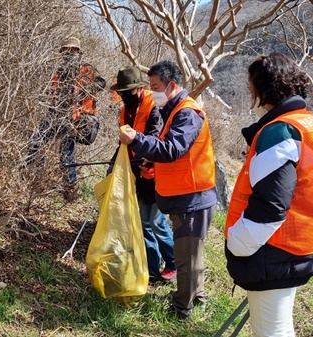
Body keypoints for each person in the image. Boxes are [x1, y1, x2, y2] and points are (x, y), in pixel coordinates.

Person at [224, 53, 313, 337]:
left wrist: (238, 244)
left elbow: (270, 207)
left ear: (262, 90)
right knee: (279, 324)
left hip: (274, 250)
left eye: (251, 88)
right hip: (307, 242)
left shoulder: (280, 132)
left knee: (271, 331)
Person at [119, 60, 218, 318]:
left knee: (186, 260)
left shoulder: (187, 112)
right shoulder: (172, 111)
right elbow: (172, 151)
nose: (152, 93)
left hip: (193, 197)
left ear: (171, 85)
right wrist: (151, 158)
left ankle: (181, 309)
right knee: (191, 255)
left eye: (155, 87)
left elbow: (173, 149)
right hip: (184, 194)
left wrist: (137, 140)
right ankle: (198, 298)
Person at [109, 66, 176, 283]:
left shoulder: (153, 105)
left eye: (128, 91)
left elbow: (155, 137)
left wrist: (146, 157)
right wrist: (114, 165)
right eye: (122, 91)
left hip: (156, 174)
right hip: (137, 173)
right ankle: (153, 267)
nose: (124, 95)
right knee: (144, 222)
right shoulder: (124, 110)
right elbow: (124, 141)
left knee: (156, 222)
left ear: (139, 89)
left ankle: (174, 263)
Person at [27, 36, 106, 201]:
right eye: (65, 50)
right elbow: (53, 94)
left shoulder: (86, 69)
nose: (68, 53)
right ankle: (36, 180)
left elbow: (101, 83)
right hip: (55, 116)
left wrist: (82, 92)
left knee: (65, 153)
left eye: (72, 50)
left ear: (78, 52)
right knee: (36, 140)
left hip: (74, 118)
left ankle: (71, 189)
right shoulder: (59, 71)